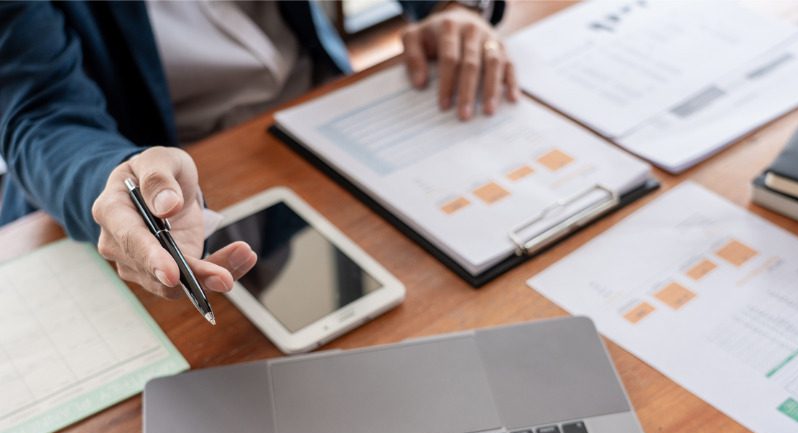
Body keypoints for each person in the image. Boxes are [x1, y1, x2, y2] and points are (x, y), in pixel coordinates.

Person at [0, 1, 518, 299]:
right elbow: (40, 112)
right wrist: (119, 180)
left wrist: (452, 7)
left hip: (322, 118)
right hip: (167, 178)